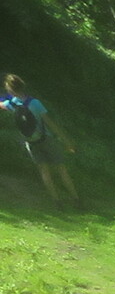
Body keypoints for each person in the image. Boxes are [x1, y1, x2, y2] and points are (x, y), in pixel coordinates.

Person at [2, 77, 78, 209]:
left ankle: (57, 202)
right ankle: (76, 200)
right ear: (22, 86)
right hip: (46, 139)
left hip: (31, 142)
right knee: (62, 170)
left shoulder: (11, 104)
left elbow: (1, 104)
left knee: (44, 172)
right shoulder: (35, 103)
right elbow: (50, 123)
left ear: (10, 90)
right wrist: (67, 141)